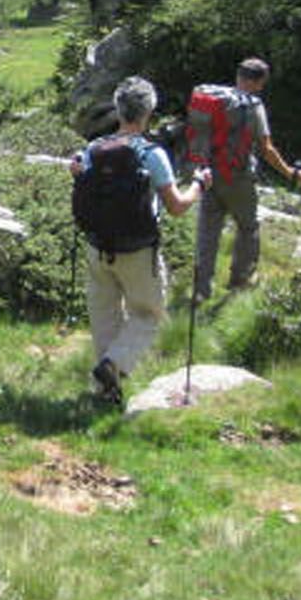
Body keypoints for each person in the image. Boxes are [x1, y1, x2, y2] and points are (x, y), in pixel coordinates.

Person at [71, 76, 208, 405]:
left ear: (118, 109)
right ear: (148, 112)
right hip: (138, 250)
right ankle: (113, 365)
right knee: (149, 315)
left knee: (104, 318)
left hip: (97, 246)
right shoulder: (152, 154)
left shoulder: (93, 149)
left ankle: (106, 390)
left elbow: (82, 183)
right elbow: (176, 207)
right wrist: (199, 185)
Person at [192, 56, 301, 301]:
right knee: (248, 227)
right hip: (238, 178)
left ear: (239, 76)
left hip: (207, 174)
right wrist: (290, 173)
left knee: (208, 232)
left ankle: (201, 290)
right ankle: (240, 280)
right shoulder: (254, 107)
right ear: (257, 82)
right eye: (262, 82)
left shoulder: (213, 99)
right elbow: (266, 148)